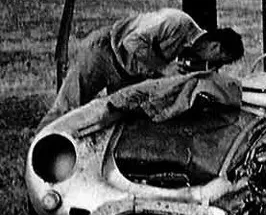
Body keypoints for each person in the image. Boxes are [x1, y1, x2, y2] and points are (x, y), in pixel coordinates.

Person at [39, 8, 244, 128]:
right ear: (216, 46)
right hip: (104, 53)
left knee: (120, 118)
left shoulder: (192, 52)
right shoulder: (176, 22)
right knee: (66, 108)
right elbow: (132, 42)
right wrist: (164, 68)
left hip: (128, 73)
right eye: (219, 60)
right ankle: (37, 149)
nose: (215, 66)